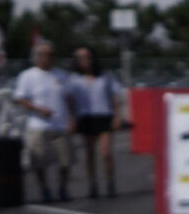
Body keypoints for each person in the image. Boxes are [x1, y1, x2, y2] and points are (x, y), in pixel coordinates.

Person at [14, 41, 75, 203]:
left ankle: (62, 188)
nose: (49, 58)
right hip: (38, 125)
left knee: (65, 160)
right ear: (38, 56)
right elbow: (20, 99)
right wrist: (39, 109)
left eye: (52, 55)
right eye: (46, 55)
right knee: (40, 161)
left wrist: (73, 118)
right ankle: (45, 189)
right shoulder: (28, 76)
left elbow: (69, 99)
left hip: (60, 124)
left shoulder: (61, 75)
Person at [68, 46, 123, 198]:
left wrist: (117, 116)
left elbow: (115, 97)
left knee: (105, 153)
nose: (84, 61)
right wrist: (72, 118)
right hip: (85, 117)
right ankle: (93, 183)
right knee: (89, 153)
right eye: (80, 58)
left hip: (103, 115)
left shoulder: (105, 76)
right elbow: (70, 100)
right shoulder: (74, 79)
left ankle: (110, 182)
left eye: (87, 57)